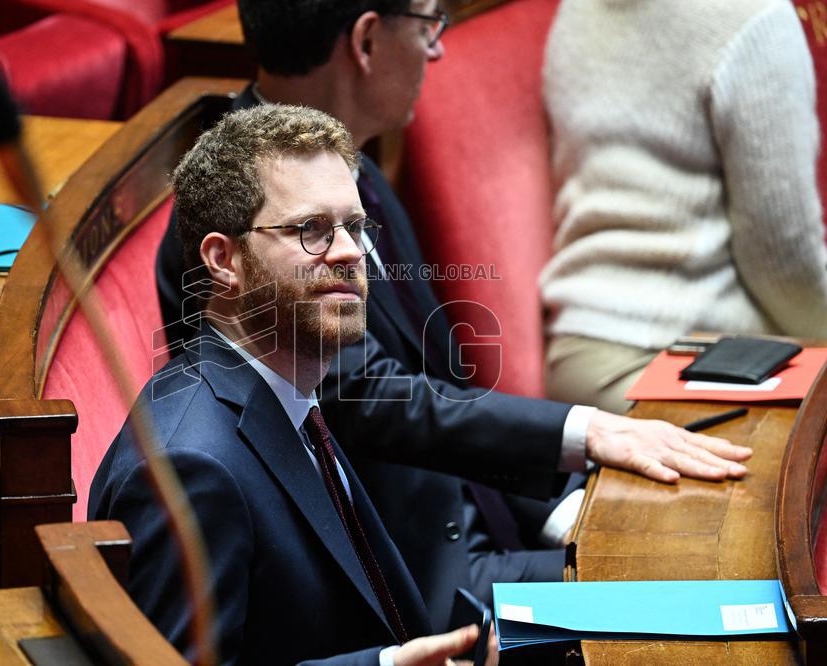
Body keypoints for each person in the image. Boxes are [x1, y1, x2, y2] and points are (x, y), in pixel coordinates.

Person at [153, 0, 754, 629]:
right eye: (428, 23)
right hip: (418, 585)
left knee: (719, 523)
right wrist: (585, 432)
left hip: (484, 523)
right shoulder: (242, 214)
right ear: (366, 39)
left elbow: (441, 379)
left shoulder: (349, 178)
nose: (437, 49)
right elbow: (368, 396)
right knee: (714, 580)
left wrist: (552, 505)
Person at [90, 104, 498, 665]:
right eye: (312, 230)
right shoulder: (193, 466)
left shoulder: (288, 396)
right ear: (222, 260)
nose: (352, 252)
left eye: (354, 227)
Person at [540, 0, 827, 414]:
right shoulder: (754, 18)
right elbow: (783, 263)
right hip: (685, 361)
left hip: (577, 354)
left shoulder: (576, 7)